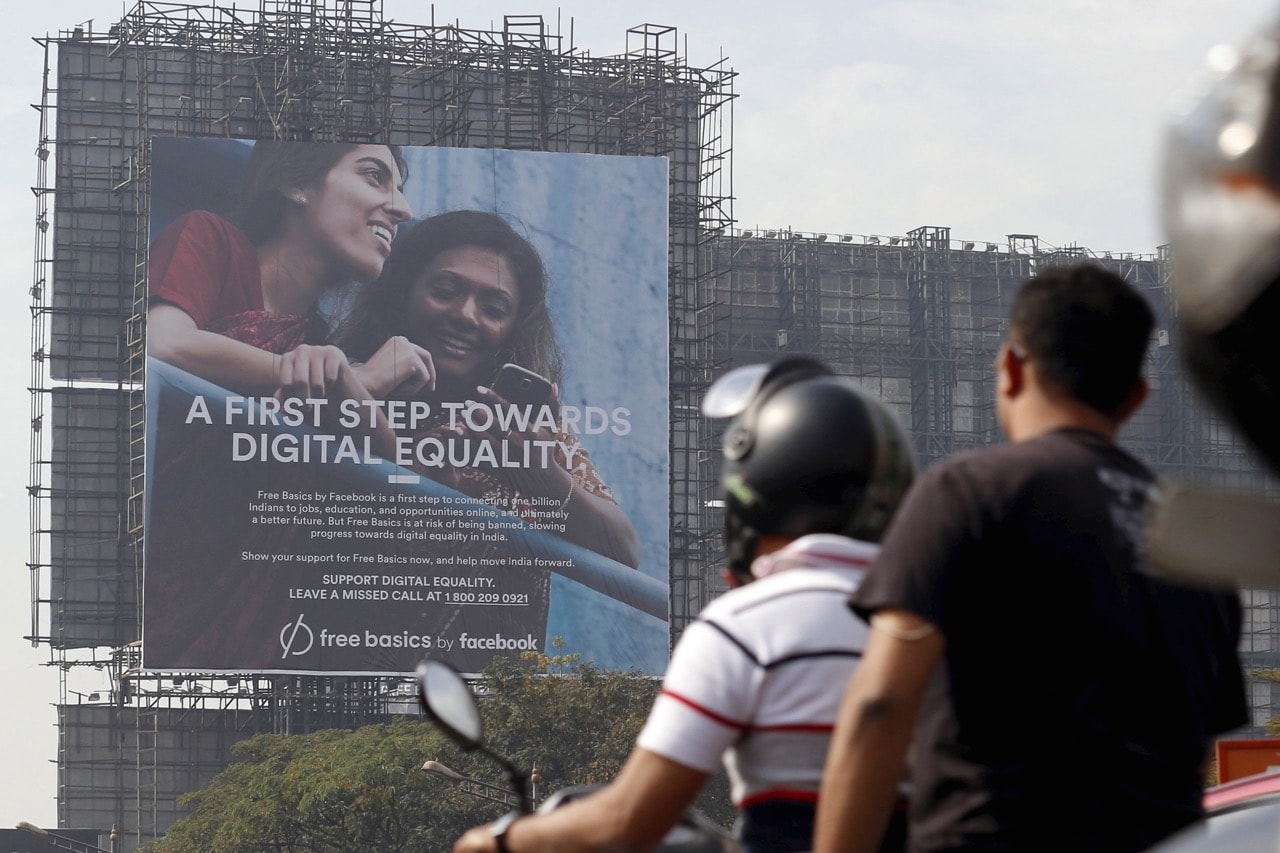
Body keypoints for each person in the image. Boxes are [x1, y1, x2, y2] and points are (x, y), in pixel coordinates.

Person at [813, 264, 1248, 853]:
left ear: (1012, 367)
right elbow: (1193, 762)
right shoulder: (1196, 544)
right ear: (1137, 397)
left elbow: (880, 703)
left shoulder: (968, 495)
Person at [452, 356, 917, 853]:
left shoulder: (745, 628)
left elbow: (628, 820)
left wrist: (493, 840)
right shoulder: (943, 618)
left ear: (751, 495)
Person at [329, 209, 640, 568]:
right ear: (404, 292)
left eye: (493, 308)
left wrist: (545, 480)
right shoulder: (349, 381)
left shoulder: (523, 429)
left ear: (513, 328)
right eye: (445, 291)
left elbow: (625, 552)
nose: (465, 315)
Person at [147, 140, 411, 398]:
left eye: (399, 191)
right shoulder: (211, 240)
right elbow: (163, 343)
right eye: (374, 176)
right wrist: (342, 382)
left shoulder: (316, 345)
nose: (403, 210)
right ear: (297, 182)